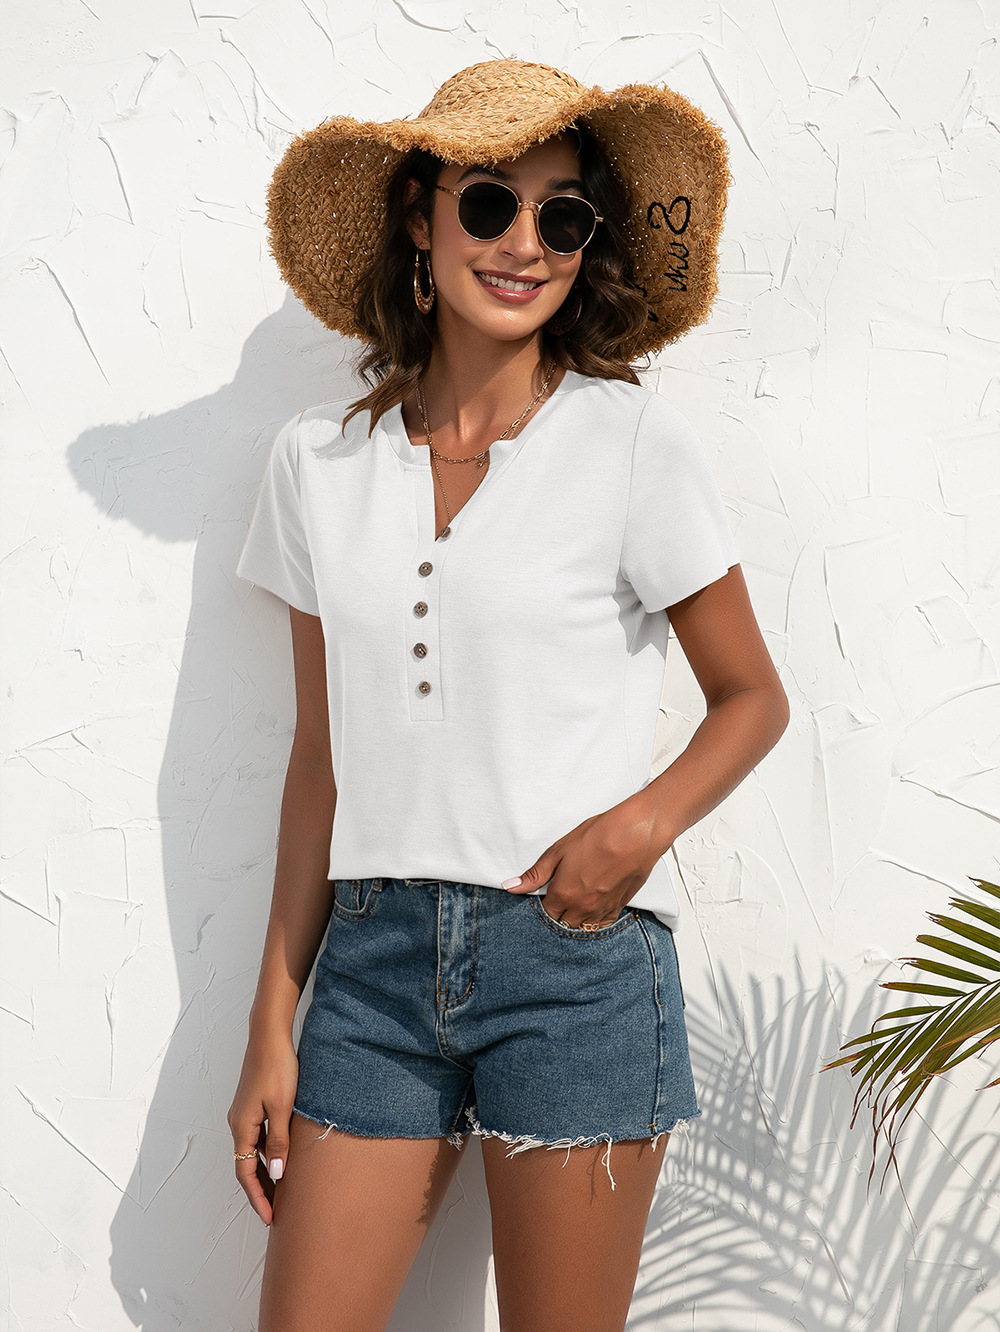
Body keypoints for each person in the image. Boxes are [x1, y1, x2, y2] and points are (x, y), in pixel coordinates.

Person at [227, 58, 789, 1332]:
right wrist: (273, 1020)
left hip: (575, 966)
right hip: (369, 971)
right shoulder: (317, 464)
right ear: (419, 219)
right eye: (489, 203)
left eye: (562, 216)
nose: (524, 243)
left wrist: (636, 829)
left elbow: (751, 696)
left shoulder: (631, 443)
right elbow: (321, 756)